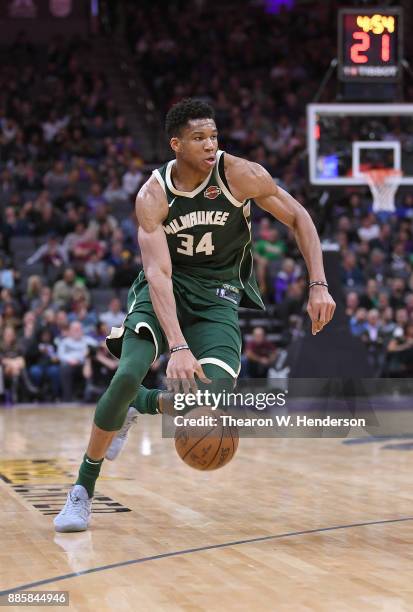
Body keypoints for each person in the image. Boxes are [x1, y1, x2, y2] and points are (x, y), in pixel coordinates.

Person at [54, 98, 335, 532]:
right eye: (199, 138)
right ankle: (81, 491)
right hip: (164, 290)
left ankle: (137, 406)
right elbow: (158, 272)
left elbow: (298, 216)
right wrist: (178, 347)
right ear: (176, 145)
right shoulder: (153, 194)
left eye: (214, 136)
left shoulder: (240, 174)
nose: (210, 145)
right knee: (128, 373)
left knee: (213, 399)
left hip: (218, 297)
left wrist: (318, 282)